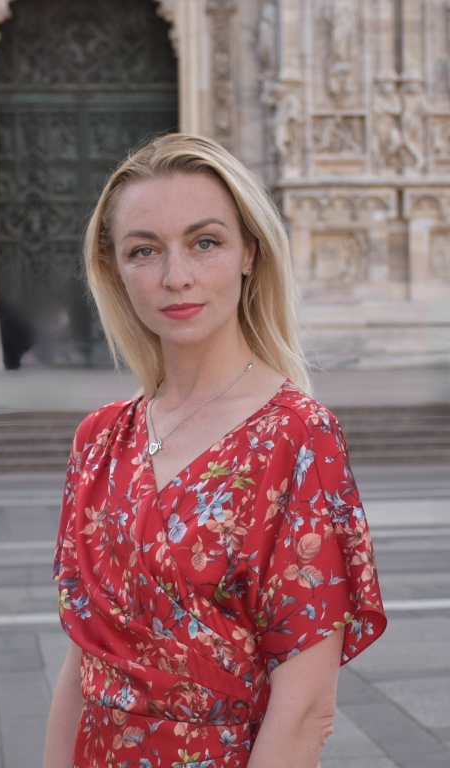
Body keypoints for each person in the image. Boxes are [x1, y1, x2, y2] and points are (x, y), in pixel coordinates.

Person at [44, 133, 386, 768]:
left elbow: (306, 709)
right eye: (144, 250)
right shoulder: (100, 439)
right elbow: (81, 666)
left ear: (250, 252)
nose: (177, 277)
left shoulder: (296, 437)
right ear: (114, 269)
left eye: (205, 242)